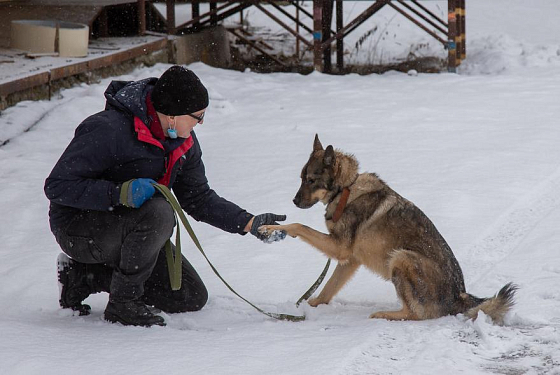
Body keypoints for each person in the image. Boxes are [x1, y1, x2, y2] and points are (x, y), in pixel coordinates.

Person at [44, 65, 286, 327]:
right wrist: (118, 193)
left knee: (189, 296)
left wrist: (249, 223)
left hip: (136, 230)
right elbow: (57, 186)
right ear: (172, 115)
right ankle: (123, 305)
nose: (200, 123)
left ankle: (84, 276)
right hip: (80, 228)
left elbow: (198, 198)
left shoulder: (184, 142)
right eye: (197, 116)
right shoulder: (108, 129)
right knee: (160, 212)